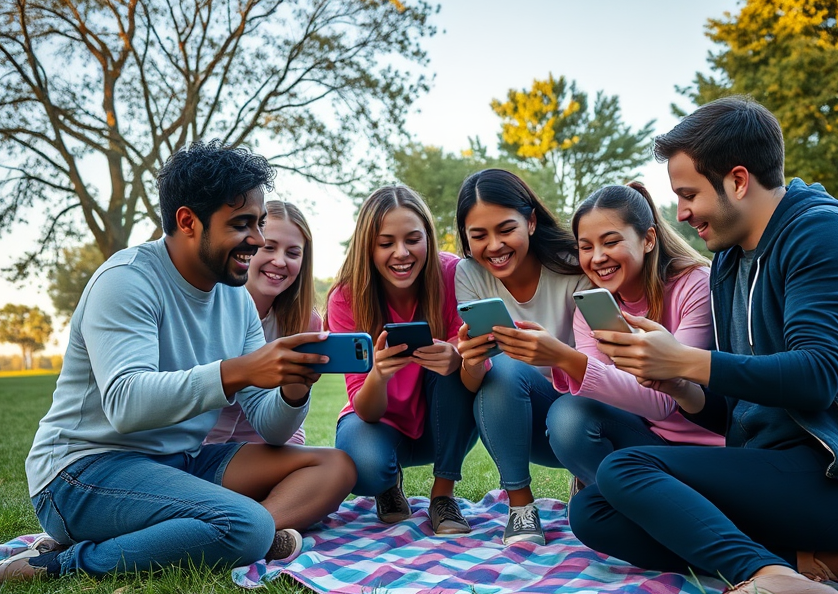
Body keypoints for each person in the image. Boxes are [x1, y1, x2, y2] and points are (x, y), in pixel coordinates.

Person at [570, 97, 838, 594]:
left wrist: (690, 358)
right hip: (775, 468)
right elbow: (736, 410)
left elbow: (815, 376)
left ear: (738, 180)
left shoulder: (823, 235)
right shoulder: (730, 264)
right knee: (592, 513)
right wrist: (683, 384)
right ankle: (813, 563)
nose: (681, 214)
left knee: (628, 468)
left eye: (689, 195)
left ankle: (769, 577)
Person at [0, 141, 356, 583]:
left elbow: (272, 428)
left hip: (179, 461)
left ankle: (216, 529)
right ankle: (62, 562)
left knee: (335, 465)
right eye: (242, 225)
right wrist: (239, 371)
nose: (256, 240)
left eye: (258, 223)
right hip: (82, 473)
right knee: (246, 525)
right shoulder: (127, 281)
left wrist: (295, 386)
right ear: (187, 222)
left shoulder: (234, 300)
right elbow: (126, 404)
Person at [547, 182, 723, 497]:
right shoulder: (590, 306)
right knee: (568, 415)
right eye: (586, 247)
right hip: (647, 441)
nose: (597, 257)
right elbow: (598, 400)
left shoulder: (694, 286)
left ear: (648, 240)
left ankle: (640, 506)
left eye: (611, 242)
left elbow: (665, 402)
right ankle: (625, 502)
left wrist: (566, 358)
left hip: (708, 450)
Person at [329, 185, 478, 535]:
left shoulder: (453, 273)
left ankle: (443, 495)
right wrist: (378, 374)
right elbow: (365, 409)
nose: (401, 253)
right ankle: (387, 482)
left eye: (413, 239)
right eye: (386, 243)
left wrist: (456, 355)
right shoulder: (345, 297)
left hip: (440, 423)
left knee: (456, 365)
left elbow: (476, 355)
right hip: (378, 422)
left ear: (428, 236)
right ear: (368, 246)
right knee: (364, 468)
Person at [454, 168, 591, 546]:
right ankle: (520, 507)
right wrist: (472, 360)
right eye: (478, 236)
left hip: (583, 413)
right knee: (503, 364)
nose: (494, 246)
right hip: (517, 421)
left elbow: (599, 368)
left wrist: (555, 353)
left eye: (505, 229)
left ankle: (585, 472)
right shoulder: (469, 274)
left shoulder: (572, 264)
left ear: (531, 221)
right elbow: (474, 384)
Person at [206, 200, 322, 446]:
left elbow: (290, 424)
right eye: (269, 247)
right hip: (201, 444)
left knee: (335, 468)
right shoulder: (209, 304)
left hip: (268, 441)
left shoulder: (306, 322)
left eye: (293, 253)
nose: (280, 261)